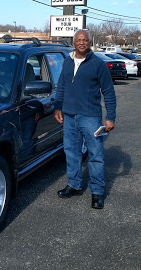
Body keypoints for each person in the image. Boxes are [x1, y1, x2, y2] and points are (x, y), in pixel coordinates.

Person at [54, 30, 117, 209]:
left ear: (90, 43)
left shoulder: (97, 64)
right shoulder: (67, 61)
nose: (82, 42)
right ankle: (74, 185)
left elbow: (109, 92)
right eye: (79, 40)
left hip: (91, 117)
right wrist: (58, 107)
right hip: (69, 116)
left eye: (85, 40)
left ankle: (97, 191)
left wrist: (110, 117)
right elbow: (62, 86)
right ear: (73, 43)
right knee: (71, 152)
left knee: (95, 155)